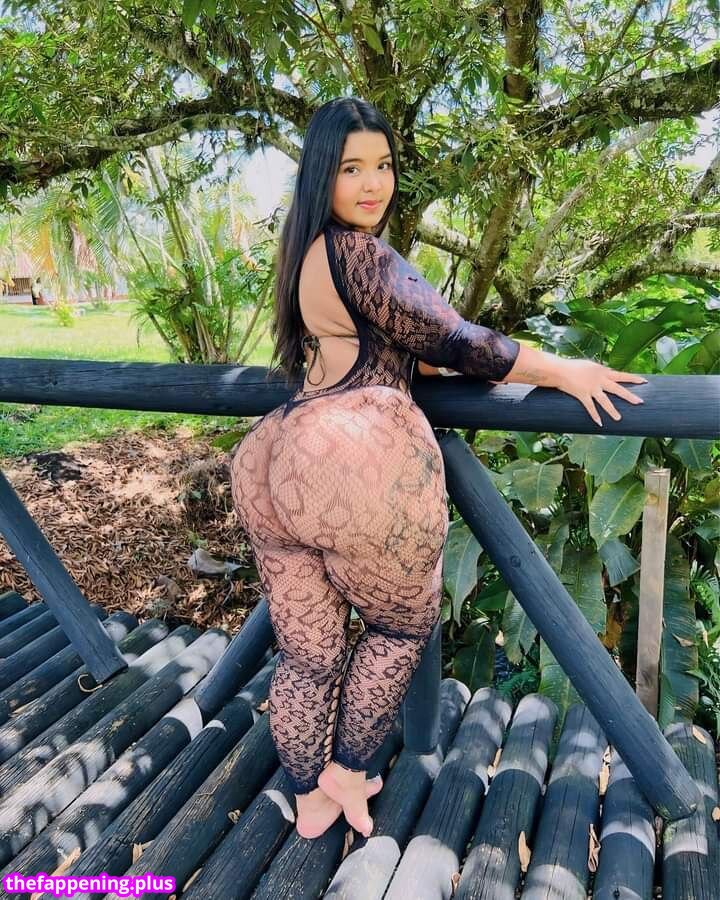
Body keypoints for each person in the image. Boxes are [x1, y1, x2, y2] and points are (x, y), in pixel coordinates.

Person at [229, 97, 647, 841]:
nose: (373, 184)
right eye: (352, 168)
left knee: (309, 652)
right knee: (400, 626)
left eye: (383, 166)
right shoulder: (361, 254)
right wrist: (563, 370)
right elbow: (458, 340)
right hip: (348, 455)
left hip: (271, 457)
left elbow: (389, 341)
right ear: (322, 174)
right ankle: (348, 775)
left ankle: (306, 793)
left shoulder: (305, 255)